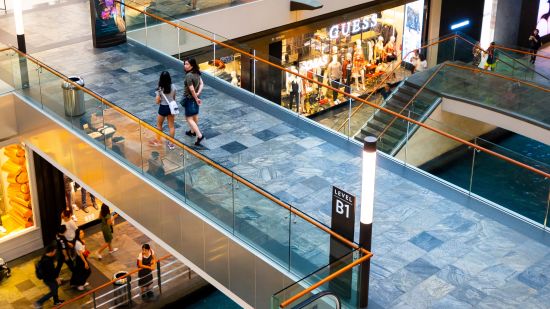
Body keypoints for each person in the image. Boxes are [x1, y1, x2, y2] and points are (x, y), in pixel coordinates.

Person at [150, 71, 177, 150]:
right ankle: (171, 144)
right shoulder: (174, 86)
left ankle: (158, 141)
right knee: (171, 126)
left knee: (159, 125)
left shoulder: (160, 89)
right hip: (171, 108)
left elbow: (157, 102)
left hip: (163, 108)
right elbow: (174, 98)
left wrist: (159, 96)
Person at [182, 58, 205, 146]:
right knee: (195, 115)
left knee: (189, 118)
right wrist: (198, 94)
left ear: (192, 65)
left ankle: (199, 135)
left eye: (187, 64)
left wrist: (196, 97)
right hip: (196, 97)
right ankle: (192, 132)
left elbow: (191, 89)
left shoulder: (189, 75)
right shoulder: (197, 72)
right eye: (184, 64)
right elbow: (202, 84)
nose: (185, 65)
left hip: (190, 98)